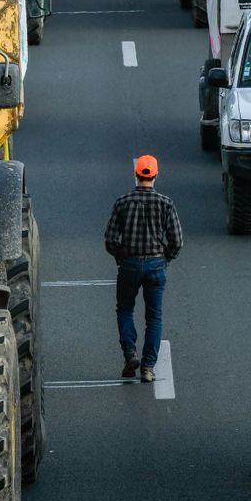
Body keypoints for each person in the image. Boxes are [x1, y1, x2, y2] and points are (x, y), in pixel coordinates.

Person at [104, 154, 183, 382]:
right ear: (156, 176)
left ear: (136, 174)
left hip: (129, 263)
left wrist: (121, 257)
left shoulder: (122, 202)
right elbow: (177, 241)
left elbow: (110, 239)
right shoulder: (166, 203)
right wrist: (165, 258)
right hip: (156, 264)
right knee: (154, 318)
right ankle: (148, 368)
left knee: (125, 310)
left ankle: (130, 353)